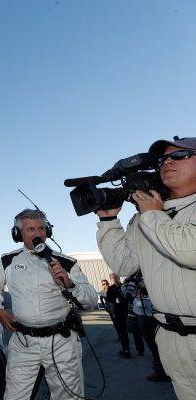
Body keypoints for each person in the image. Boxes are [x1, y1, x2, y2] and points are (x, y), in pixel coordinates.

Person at [96, 136, 196, 399]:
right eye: (163, 159)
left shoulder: (150, 214)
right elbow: (124, 263)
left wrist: (151, 214)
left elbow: (189, 251)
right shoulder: (146, 214)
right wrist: (108, 221)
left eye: (181, 156)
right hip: (169, 336)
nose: (168, 162)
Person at [0, 209, 97, 400]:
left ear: (48, 231)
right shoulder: (8, 260)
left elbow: (91, 301)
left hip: (62, 341)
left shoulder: (66, 263)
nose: (37, 233)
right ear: (18, 234)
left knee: (68, 397)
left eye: (41, 228)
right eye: (30, 229)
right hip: (23, 342)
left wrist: (70, 284)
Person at [126, 271, 170, 382]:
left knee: (161, 345)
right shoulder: (133, 278)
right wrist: (128, 284)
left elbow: (164, 290)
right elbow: (127, 295)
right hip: (141, 315)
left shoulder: (153, 275)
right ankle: (159, 371)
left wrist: (146, 287)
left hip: (154, 315)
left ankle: (167, 371)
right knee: (152, 345)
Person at [106, 273, 132, 358]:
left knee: (125, 331)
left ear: (119, 278)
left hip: (126, 311)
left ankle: (127, 350)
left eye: (116, 277)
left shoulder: (124, 287)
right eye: (113, 278)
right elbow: (111, 301)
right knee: (121, 331)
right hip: (117, 312)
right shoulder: (110, 289)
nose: (114, 279)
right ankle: (125, 349)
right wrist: (112, 312)